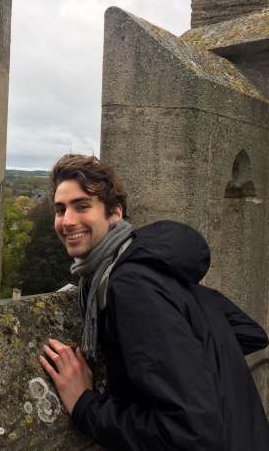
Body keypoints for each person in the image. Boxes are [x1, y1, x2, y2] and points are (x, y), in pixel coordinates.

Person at [39, 153, 269, 451]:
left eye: (82, 206)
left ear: (115, 213)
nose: (67, 221)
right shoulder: (151, 267)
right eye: (60, 210)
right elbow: (247, 331)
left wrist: (85, 405)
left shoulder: (130, 284)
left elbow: (189, 431)